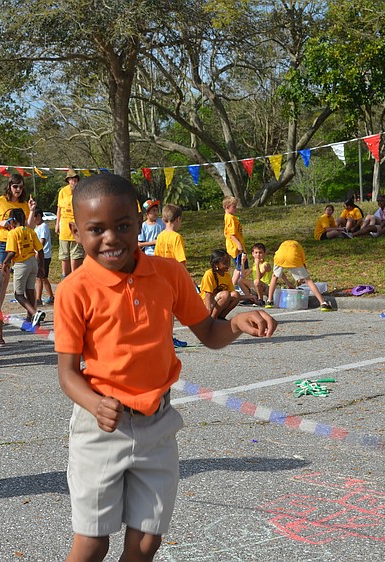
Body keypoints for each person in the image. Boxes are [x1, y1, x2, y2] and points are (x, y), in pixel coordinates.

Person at [53, 173, 277, 562]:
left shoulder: (168, 274)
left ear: (141, 222)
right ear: (75, 231)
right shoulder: (75, 289)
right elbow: (68, 374)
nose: (111, 238)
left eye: (123, 226)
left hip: (158, 424)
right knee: (92, 543)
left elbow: (208, 331)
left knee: (145, 543)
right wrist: (93, 403)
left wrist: (237, 323)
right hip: (101, 427)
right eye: (96, 229)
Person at [0, 174, 36, 345]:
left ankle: (32, 313)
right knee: (2, 279)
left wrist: (31, 210)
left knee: (25, 281)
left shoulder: (23, 204)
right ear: (9, 186)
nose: (18, 190)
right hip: (3, 244)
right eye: (15, 186)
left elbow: (28, 227)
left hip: (21, 247)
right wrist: (2, 223)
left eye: (21, 187)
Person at [153, 204, 191, 347]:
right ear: (178, 219)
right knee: (171, 311)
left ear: (163, 219)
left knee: (165, 309)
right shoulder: (176, 237)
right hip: (172, 278)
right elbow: (181, 261)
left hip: (159, 277)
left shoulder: (160, 236)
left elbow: (156, 258)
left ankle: (163, 336)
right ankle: (168, 337)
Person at [1, 208, 46, 327]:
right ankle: (31, 319)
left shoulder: (13, 233)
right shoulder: (31, 231)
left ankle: (34, 313)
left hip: (21, 264)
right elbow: (40, 249)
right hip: (32, 262)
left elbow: (12, 252)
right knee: (30, 290)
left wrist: (5, 263)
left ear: (13, 221)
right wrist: (41, 266)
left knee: (18, 294)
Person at [264, 240, 334, 311]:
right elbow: (303, 264)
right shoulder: (299, 248)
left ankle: (269, 301)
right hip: (293, 256)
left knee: (274, 277)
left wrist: (288, 283)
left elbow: (279, 273)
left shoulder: (282, 246)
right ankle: (323, 303)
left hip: (279, 257)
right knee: (308, 281)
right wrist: (303, 277)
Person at [222, 196, 257, 304]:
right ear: (227, 207)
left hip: (236, 246)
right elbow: (231, 234)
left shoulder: (230, 217)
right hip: (236, 248)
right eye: (234, 206)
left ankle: (244, 292)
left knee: (243, 270)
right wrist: (239, 245)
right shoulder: (230, 218)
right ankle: (230, 291)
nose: (236, 208)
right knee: (239, 269)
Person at [55, 169, 85, 277]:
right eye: (71, 179)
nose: (73, 181)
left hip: (76, 228)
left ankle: (74, 277)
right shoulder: (63, 191)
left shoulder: (82, 191)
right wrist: (57, 224)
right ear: (68, 180)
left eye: (75, 179)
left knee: (76, 255)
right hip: (64, 228)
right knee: (64, 256)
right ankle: (65, 277)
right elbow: (59, 208)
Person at [199, 249, 240, 319]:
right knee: (225, 294)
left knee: (235, 295)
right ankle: (212, 319)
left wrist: (251, 297)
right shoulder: (209, 274)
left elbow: (232, 293)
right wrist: (208, 311)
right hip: (206, 304)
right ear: (216, 264)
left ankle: (221, 317)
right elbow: (208, 295)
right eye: (225, 263)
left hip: (217, 300)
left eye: (229, 262)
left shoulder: (227, 275)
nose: (228, 265)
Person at [32, 207, 54, 306]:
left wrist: (37, 252)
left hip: (43, 255)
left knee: (39, 277)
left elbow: (42, 241)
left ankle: (38, 299)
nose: (33, 219)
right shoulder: (36, 227)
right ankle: (51, 296)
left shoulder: (43, 226)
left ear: (39, 216)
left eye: (34, 217)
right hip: (39, 254)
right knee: (43, 277)